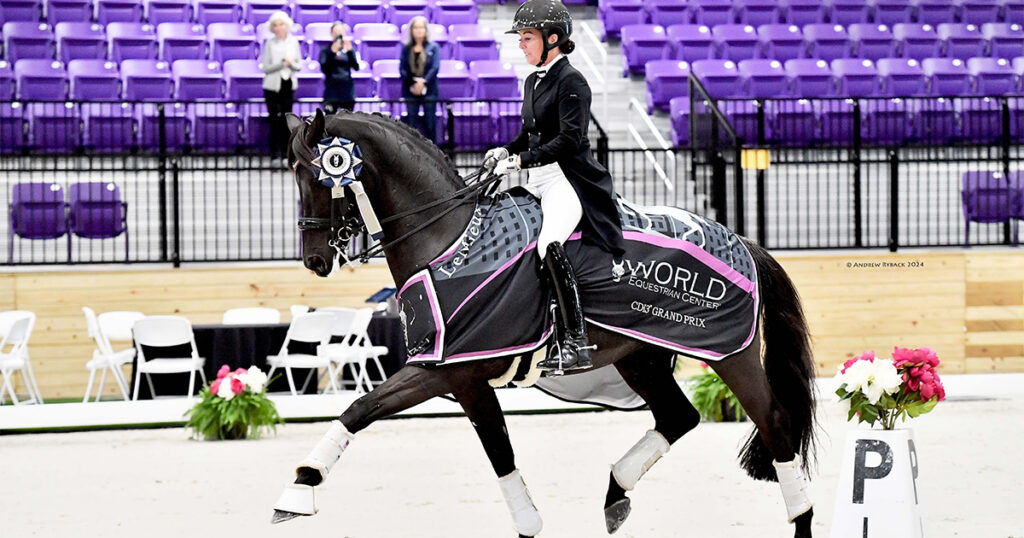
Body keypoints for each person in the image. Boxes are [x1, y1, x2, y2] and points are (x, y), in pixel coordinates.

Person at [483, 0, 625, 373]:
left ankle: (576, 341)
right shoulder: (533, 80)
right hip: (538, 180)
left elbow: (569, 140)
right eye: (520, 38)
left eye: (527, 37)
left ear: (552, 38)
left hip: (567, 179)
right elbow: (529, 135)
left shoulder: (572, 81)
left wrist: (519, 162)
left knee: (548, 244)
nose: (521, 45)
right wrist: (506, 150)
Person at [261, 10, 302, 167]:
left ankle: (287, 155)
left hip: (288, 84)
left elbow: (298, 65)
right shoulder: (270, 43)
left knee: (286, 122)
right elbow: (266, 68)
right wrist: (281, 64)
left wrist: (291, 64)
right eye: (276, 25)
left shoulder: (294, 42)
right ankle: (274, 156)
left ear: (286, 26)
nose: (278, 27)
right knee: (274, 121)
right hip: (272, 87)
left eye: (281, 24)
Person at [398, 16, 441, 142]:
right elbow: (402, 69)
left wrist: (423, 82)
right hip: (410, 90)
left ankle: (433, 150)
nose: (418, 30)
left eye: (421, 27)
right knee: (411, 124)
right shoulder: (406, 48)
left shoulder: (433, 47)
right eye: (416, 28)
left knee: (430, 123)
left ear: (426, 30)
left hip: (429, 90)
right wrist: (414, 82)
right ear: (411, 30)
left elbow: (435, 68)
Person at [319, 22, 360, 114]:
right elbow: (324, 69)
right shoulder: (325, 50)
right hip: (331, 91)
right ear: (331, 34)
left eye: (341, 31)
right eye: (336, 32)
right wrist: (332, 53)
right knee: (330, 119)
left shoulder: (350, 49)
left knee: (347, 119)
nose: (338, 34)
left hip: (347, 91)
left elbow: (356, 67)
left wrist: (350, 52)